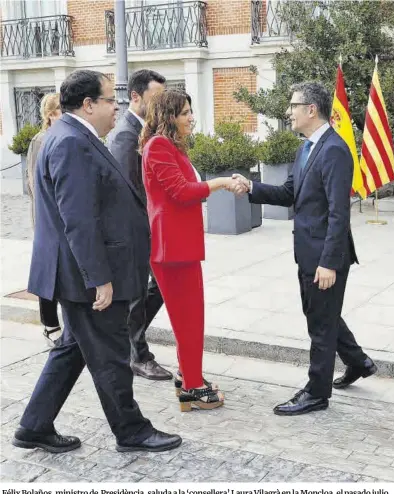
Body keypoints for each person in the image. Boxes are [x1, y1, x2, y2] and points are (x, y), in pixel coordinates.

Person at [12, 70, 181, 454]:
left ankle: (34, 426)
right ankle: (131, 430)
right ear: (88, 105)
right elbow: (79, 219)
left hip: (77, 273)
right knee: (110, 357)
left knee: (72, 349)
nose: (116, 107)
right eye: (110, 100)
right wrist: (99, 278)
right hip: (85, 277)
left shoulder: (75, 136)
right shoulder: (72, 142)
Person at [233, 81, 377, 416]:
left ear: (311, 109)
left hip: (326, 257)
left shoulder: (334, 150)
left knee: (320, 326)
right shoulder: (307, 148)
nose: (289, 112)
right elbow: (289, 193)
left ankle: (316, 392)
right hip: (308, 252)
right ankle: (359, 362)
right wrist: (252, 186)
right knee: (321, 315)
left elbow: (339, 213)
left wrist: (328, 262)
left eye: (293, 106)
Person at [140, 90, 245, 412]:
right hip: (172, 248)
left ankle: (190, 374)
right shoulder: (158, 145)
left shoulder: (170, 147)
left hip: (179, 245)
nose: (191, 118)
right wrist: (221, 182)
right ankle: (192, 388)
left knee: (190, 317)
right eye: (185, 112)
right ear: (168, 116)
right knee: (188, 319)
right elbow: (181, 192)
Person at [107, 69, 172, 381]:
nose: (161, 102)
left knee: (157, 288)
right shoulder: (125, 135)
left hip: (152, 227)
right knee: (138, 293)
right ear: (136, 96)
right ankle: (137, 353)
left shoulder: (148, 131)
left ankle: (130, 345)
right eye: (155, 96)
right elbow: (126, 190)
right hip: (135, 231)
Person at [26, 93, 62, 346]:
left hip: (59, 217)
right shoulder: (41, 140)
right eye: (61, 110)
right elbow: (34, 182)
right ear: (51, 115)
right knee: (48, 271)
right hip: (47, 217)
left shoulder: (62, 138)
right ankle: (50, 324)